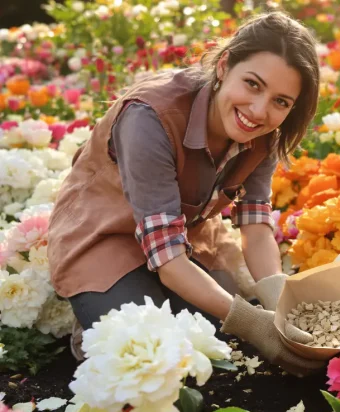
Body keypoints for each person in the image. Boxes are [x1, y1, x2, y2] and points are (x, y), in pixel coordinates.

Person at [46, 12, 324, 376]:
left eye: (281, 101)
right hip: (106, 234)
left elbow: (255, 226)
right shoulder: (150, 118)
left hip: (183, 234)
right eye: (253, 84)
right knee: (146, 351)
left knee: (211, 341)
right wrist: (256, 324)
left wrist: (278, 298)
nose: (260, 111)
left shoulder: (266, 131)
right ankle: (95, 311)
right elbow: (171, 263)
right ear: (224, 65)